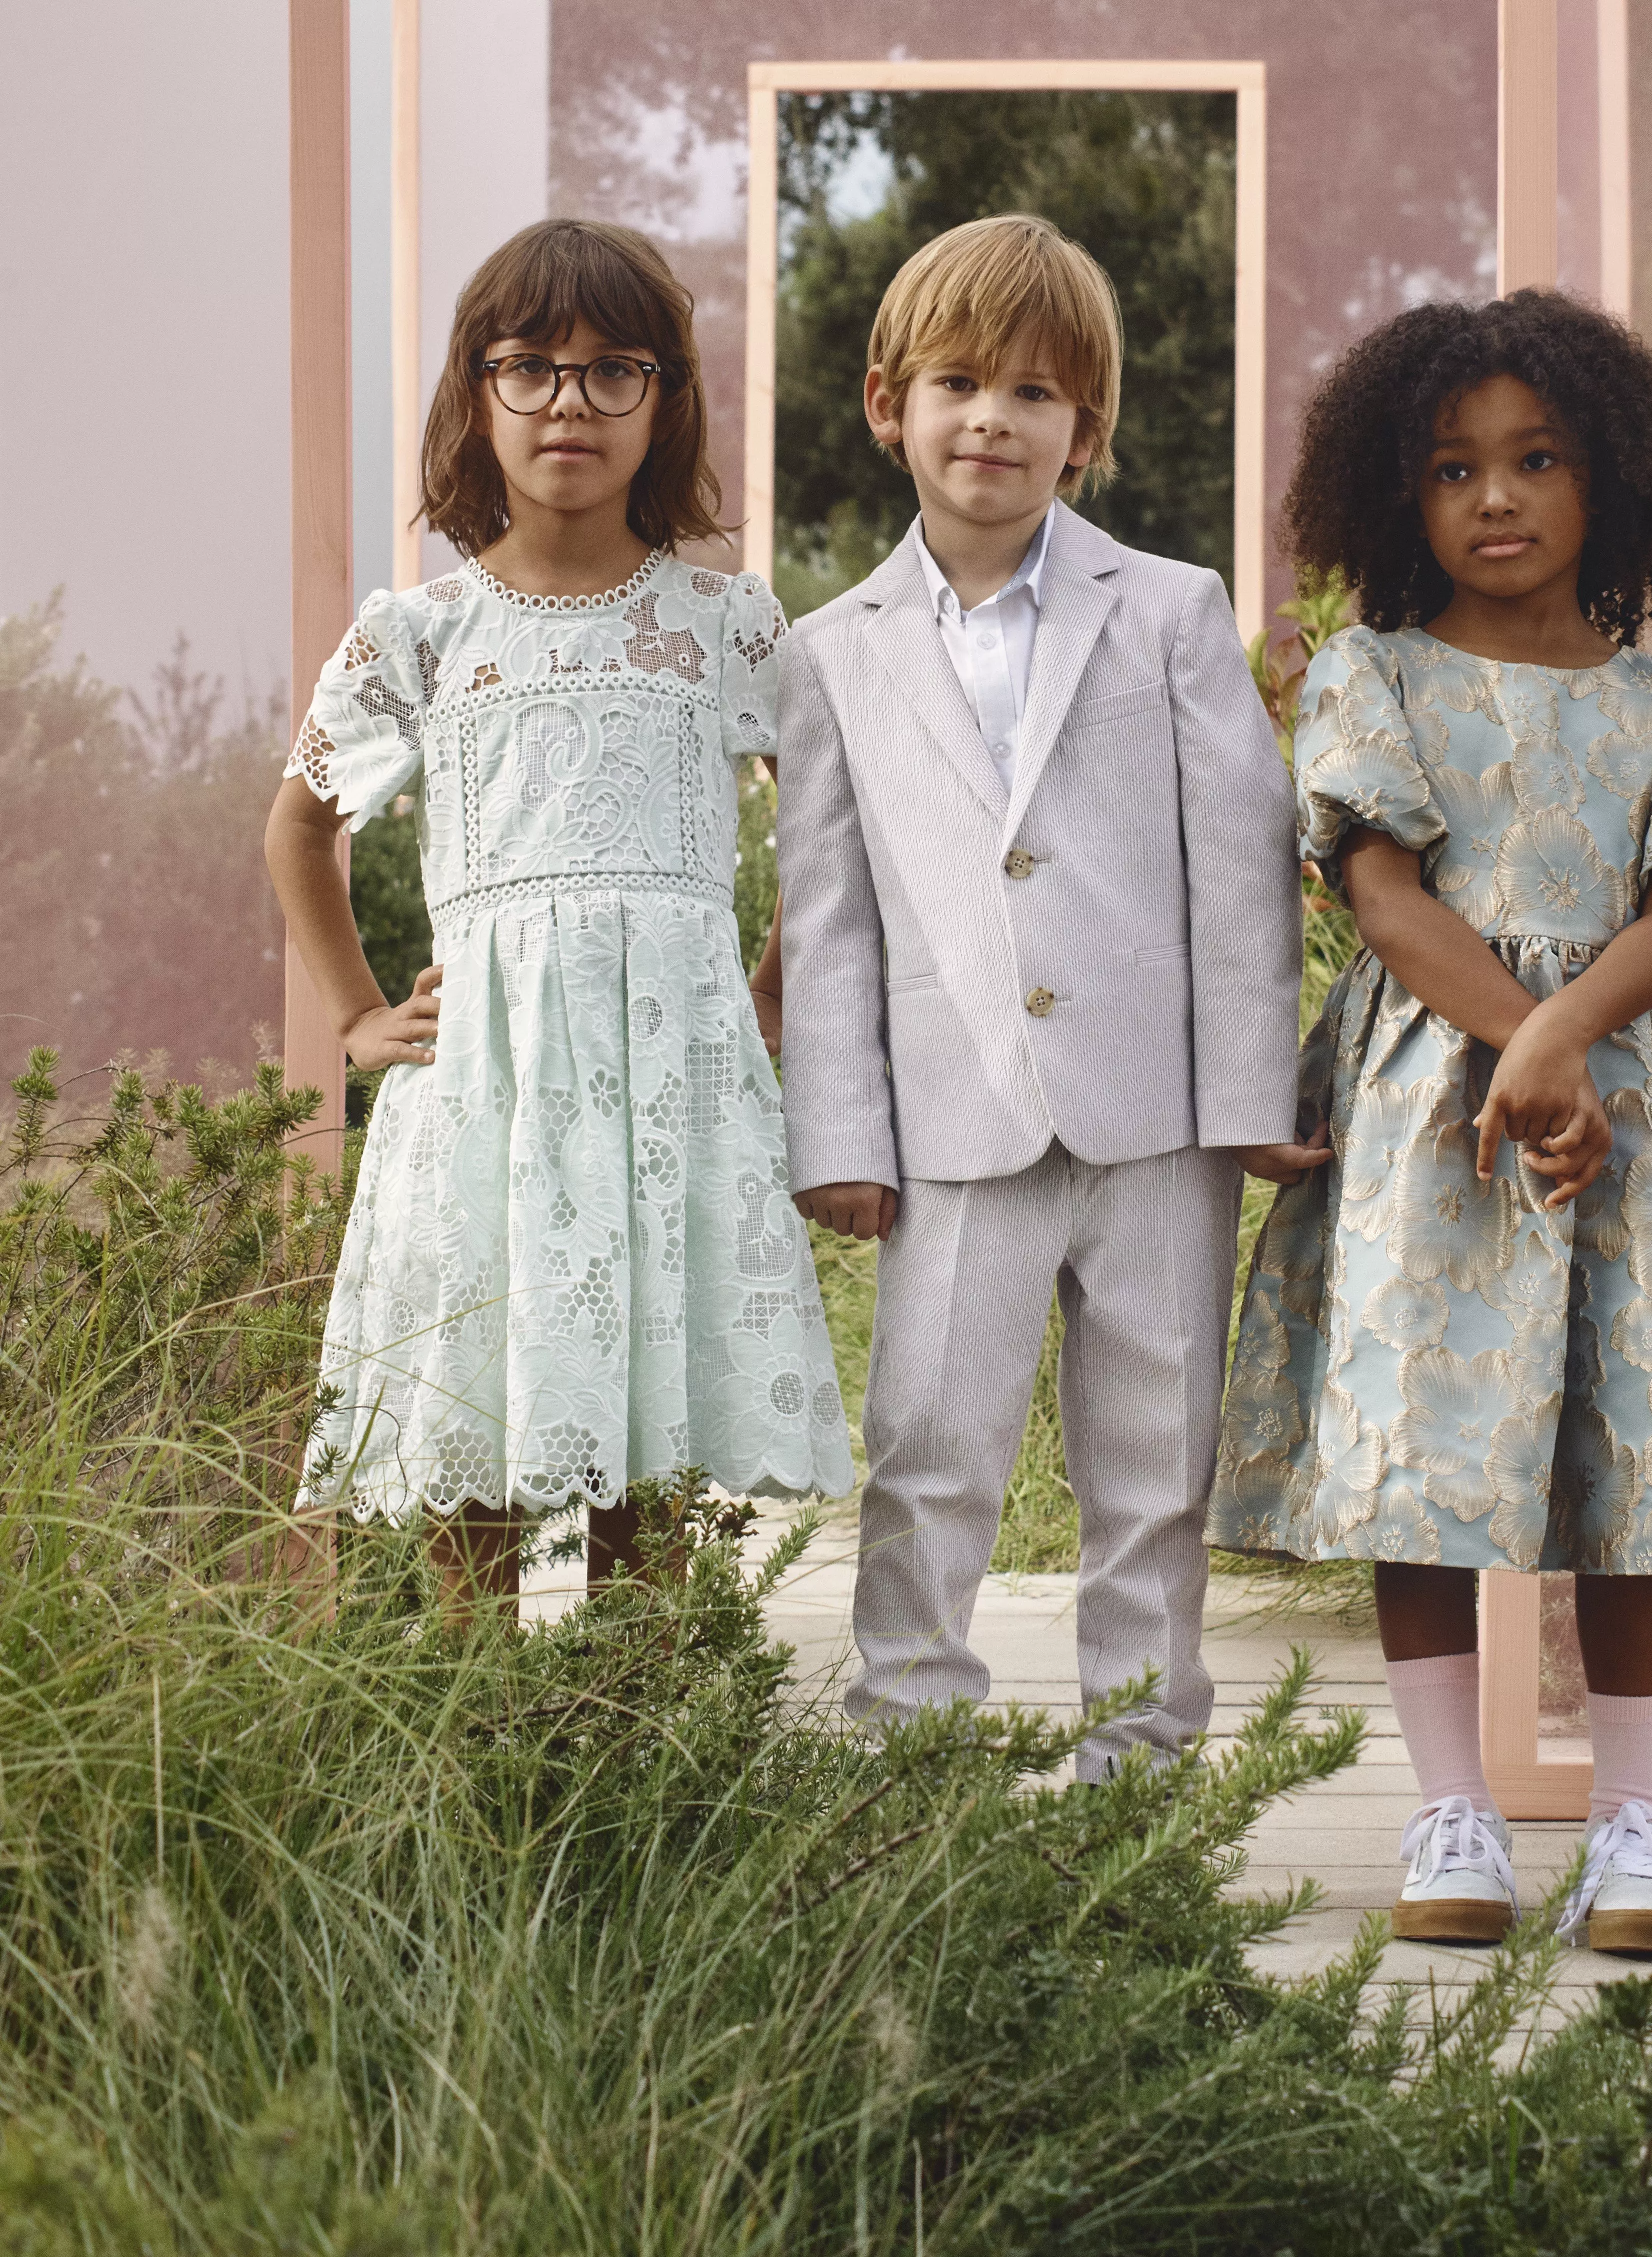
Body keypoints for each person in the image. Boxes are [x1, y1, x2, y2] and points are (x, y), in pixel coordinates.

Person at [1211, 290, 1652, 1954]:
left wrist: (1567, 1040)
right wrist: (1521, 1047)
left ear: (1610, 477)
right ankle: (1453, 1812)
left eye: (1537, 459)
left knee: (1631, 1458)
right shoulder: (1374, 682)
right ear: (1399, 496)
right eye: (1455, 468)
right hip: (1436, 1118)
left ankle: (1633, 1826)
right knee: (1427, 1463)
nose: (1497, 496)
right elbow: (1382, 893)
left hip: (1622, 1109)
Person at [776, 214, 1311, 1778]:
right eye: (957, 382)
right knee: (928, 1457)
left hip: (1159, 1125)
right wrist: (839, 1131)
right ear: (890, 405)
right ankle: (911, 1761)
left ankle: (1141, 1778)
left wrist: (1251, 1103)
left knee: (1152, 1465)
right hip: (951, 1127)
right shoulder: (830, 654)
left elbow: (1242, 872)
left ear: (1089, 433)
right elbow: (829, 918)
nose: (993, 418)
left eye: (1036, 393)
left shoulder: (1171, 610)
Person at [267, 218, 851, 1608]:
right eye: (529, 369)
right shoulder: (419, 633)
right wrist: (355, 1014)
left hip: (672, 1086)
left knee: (647, 1468)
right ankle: (482, 1787)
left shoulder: (731, 626)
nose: (569, 405)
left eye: (612, 372)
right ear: (479, 395)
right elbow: (299, 825)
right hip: (488, 1088)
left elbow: (832, 835)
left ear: (666, 400)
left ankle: (636, 1795)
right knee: (478, 1444)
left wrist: (766, 992)